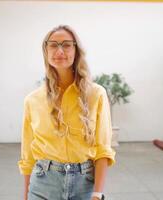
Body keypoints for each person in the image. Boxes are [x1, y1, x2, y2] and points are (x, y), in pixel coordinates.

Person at [18, 25, 115, 200]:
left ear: (76, 51)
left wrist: (97, 193)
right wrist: (25, 196)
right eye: (53, 45)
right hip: (42, 184)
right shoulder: (32, 100)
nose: (60, 50)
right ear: (46, 51)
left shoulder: (96, 94)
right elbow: (28, 157)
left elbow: (103, 149)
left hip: (84, 184)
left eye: (67, 44)